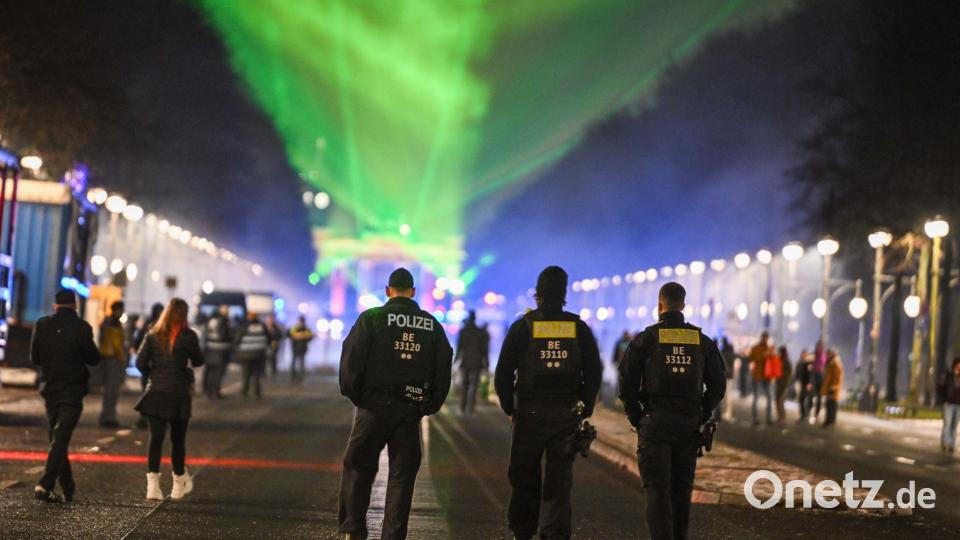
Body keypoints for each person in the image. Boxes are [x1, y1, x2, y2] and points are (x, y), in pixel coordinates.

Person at [337, 268, 452, 540]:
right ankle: (393, 535)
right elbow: (444, 365)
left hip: (373, 407)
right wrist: (429, 405)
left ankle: (353, 529)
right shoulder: (431, 325)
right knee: (402, 476)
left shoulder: (372, 319)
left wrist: (358, 397)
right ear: (413, 292)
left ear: (388, 290)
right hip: (409, 411)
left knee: (358, 466)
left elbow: (351, 360)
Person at [494, 266, 602, 540]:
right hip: (566, 414)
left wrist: (510, 407)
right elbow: (593, 371)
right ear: (564, 294)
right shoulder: (578, 328)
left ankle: (523, 531)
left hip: (528, 411)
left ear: (538, 295)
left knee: (523, 475)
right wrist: (585, 407)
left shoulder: (523, 326)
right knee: (559, 480)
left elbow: (504, 370)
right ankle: (554, 533)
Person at [619, 282, 725, 540]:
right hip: (688, 425)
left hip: (654, 424)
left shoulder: (646, 338)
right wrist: (701, 412)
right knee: (681, 492)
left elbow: (626, 380)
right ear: (683, 306)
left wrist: (637, 417)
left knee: (657, 492)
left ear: (659, 305)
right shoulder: (701, 341)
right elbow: (719, 384)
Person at [29, 289, 101, 503]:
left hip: (50, 388)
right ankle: (45, 485)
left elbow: (34, 357)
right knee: (60, 437)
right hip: (73, 389)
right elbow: (93, 358)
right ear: (75, 305)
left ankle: (68, 487)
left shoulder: (42, 325)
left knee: (57, 438)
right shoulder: (82, 328)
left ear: (55, 305)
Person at [134, 298, 205, 500]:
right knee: (177, 440)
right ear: (183, 315)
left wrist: (153, 374)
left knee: (155, 439)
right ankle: (176, 485)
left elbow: (139, 362)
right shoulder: (188, 336)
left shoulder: (153, 334)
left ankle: (152, 487)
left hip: (155, 392)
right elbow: (199, 360)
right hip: (178, 394)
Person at [455, 310, 489, 415]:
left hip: (465, 361)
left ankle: (462, 406)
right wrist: (486, 361)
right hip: (477, 362)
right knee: (474, 385)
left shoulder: (463, 331)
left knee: (464, 384)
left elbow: (459, 347)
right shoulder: (480, 332)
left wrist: (456, 360)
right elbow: (484, 349)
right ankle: (471, 408)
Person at [233, 311, 269, 399]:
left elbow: (237, 339)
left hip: (246, 354)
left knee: (246, 373)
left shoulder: (244, 326)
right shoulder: (262, 326)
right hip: (259, 354)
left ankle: (244, 391)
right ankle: (257, 392)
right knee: (257, 374)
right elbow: (268, 337)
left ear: (248, 316)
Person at [201, 305, 232, 399]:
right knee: (218, 373)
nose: (228, 312)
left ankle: (208, 390)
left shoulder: (211, 320)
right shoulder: (223, 321)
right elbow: (224, 336)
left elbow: (205, 335)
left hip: (210, 350)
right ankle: (216, 392)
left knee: (209, 371)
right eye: (227, 311)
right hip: (220, 351)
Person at [749, 332, 773, 426]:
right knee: (756, 398)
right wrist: (763, 355)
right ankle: (755, 419)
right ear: (761, 338)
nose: (765, 340)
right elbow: (751, 358)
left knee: (769, 398)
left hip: (767, 376)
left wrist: (770, 355)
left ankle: (769, 418)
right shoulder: (756, 347)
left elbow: (772, 361)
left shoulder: (769, 348)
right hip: (758, 376)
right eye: (764, 338)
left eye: (767, 338)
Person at [937, 358, 960, 454]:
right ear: (955, 365)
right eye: (958, 364)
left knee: (954, 425)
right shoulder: (948, 374)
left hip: (958, 404)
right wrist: (944, 399)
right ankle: (944, 443)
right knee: (947, 423)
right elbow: (940, 386)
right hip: (949, 403)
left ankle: (951, 444)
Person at [821, 349, 843, 427]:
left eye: (828, 354)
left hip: (832, 388)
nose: (826, 355)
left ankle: (829, 421)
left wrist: (833, 387)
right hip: (831, 387)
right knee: (830, 405)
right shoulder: (833, 362)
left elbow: (836, 377)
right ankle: (830, 421)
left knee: (830, 405)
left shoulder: (835, 363)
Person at [288, 316, 314, 383]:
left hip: (303, 348)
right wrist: (299, 336)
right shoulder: (295, 328)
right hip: (295, 348)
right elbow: (289, 335)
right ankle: (293, 376)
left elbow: (311, 337)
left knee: (301, 363)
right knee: (294, 363)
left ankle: (300, 377)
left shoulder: (306, 329)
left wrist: (304, 336)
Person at [717, 337, 736, 421]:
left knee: (722, 395)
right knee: (728, 395)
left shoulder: (722, 352)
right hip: (729, 376)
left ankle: (723, 413)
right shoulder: (731, 353)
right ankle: (728, 412)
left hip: (723, 375)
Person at [774, 345, 793, 426]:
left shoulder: (786, 360)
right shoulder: (780, 359)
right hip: (779, 383)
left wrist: (782, 375)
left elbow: (789, 373)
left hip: (783, 384)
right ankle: (780, 417)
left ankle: (783, 418)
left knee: (780, 401)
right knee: (777, 401)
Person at [811, 340, 827, 421]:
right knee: (811, 395)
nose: (818, 348)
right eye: (817, 347)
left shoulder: (822, 356)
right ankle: (811, 412)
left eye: (819, 347)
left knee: (819, 397)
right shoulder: (814, 355)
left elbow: (820, 367)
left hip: (820, 378)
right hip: (813, 376)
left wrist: (815, 368)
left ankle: (816, 414)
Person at [795, 350, 814, 422]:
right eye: (803, 354)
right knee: (801, 399)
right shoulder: (800, 362)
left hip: (807, 384)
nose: (803, 356)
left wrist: (809, 383)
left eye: (805, 354)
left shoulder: (809, 363)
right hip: (802, 383)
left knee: (807, 399)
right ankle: (803, 414)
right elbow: (797, 373)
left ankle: (806, 414)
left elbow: (810, 374)